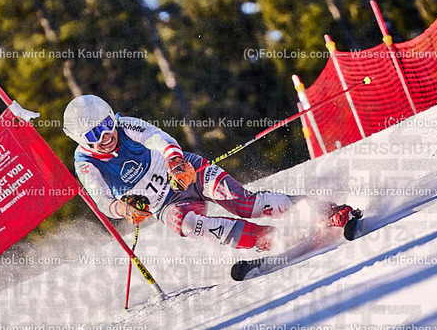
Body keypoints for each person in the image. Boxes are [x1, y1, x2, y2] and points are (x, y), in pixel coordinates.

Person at [63, 95, 355, 251]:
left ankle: (327, 212)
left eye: (107, 125)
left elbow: (157, 137)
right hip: (167, 205)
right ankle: (269, 239)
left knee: (244, 203)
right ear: (81, 141)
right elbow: (102, 200)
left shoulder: (125, 125)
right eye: (94, 134)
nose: (106, 136)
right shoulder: (86, 163)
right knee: (188, 224)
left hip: (188, 173)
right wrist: (124, 209)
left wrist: (175, 161)